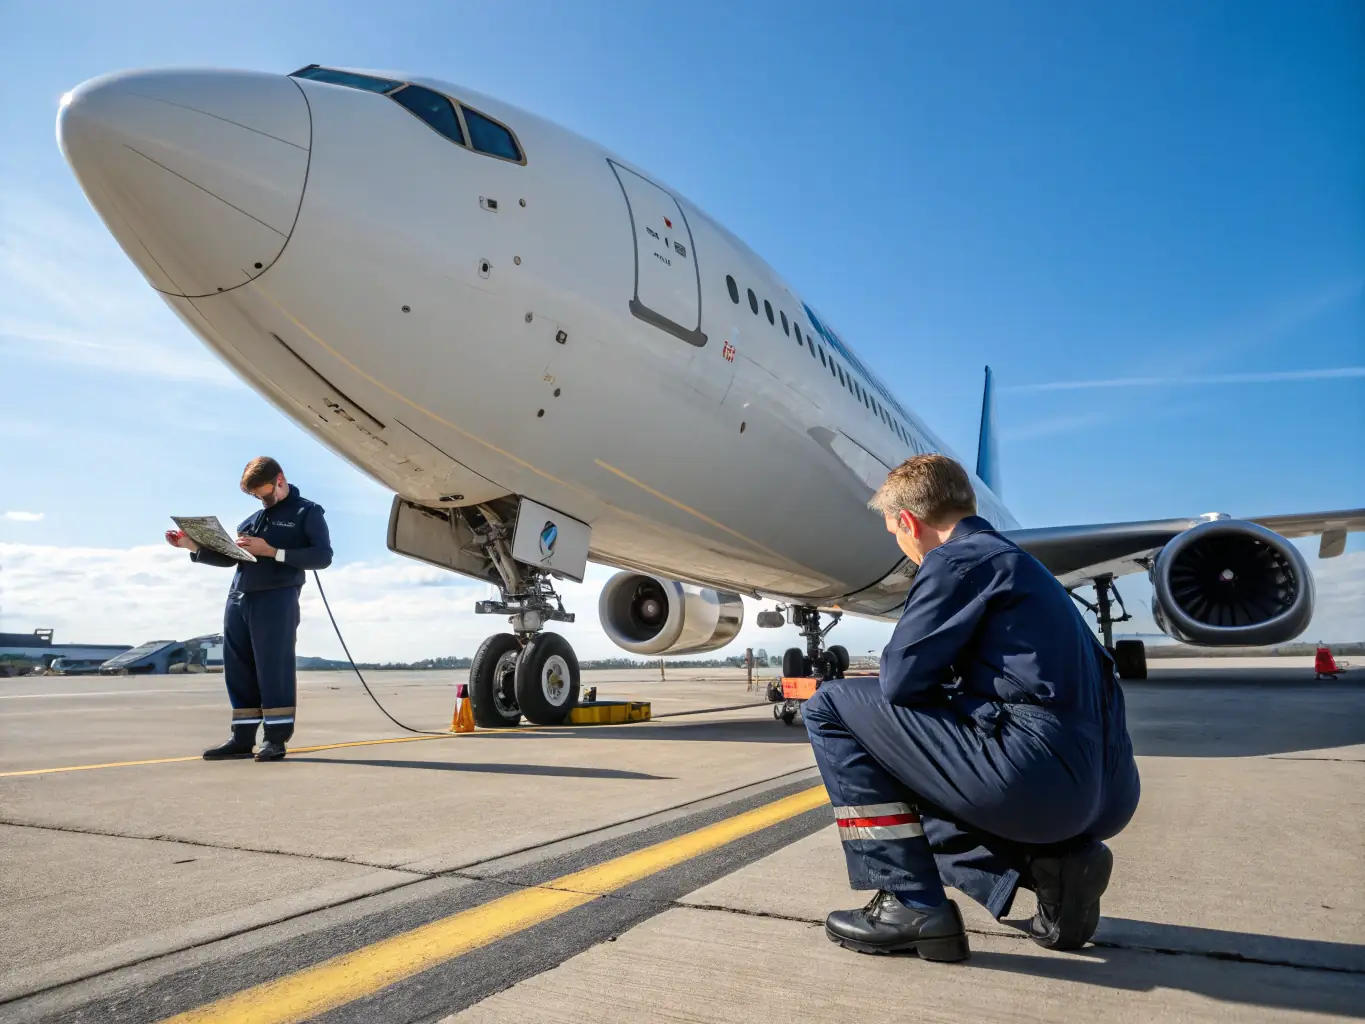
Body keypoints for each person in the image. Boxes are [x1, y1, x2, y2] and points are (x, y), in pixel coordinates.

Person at [805, 454, 1140, 961]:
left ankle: (911, 903)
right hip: (1108, 789)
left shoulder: (955, 561)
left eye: (894, 531)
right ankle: (1050, 871)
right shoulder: (1023, 566)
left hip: (1037, 779)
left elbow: (900, 681)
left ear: (908, 522)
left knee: (831, 705)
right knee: (936, 750)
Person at [166, 457, 333, 762]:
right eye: (255, 496)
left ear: (280, 479)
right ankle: (242, 738)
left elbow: (322, 556)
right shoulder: (251, 520)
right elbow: (232, 559)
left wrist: (271, 551)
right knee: (238, 668)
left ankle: (275, 739)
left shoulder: (306, 512)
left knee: (273, 667)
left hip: (276, 597)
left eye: (265, 493)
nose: (262, 499)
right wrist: (192, 547)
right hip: (239, 596)